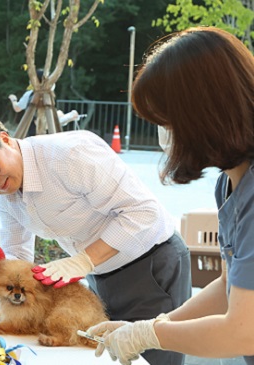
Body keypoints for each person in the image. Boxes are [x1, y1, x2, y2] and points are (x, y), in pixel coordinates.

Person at [0, 108, 191, 365]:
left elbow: (143, 212)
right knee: (109, 356)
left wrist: (83, 261)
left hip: (150, 266)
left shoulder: (70, 155)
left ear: (4, 138)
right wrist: (0, 266)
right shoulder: (7, 194)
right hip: (99, 278)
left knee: (153, 359)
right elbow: (19, 253)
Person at [86, 27, 254, 365]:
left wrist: (151, 335)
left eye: (167, 120)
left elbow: (242, 330)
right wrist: (154, 325)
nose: (166, 133)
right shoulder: (231, 182)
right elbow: (229, 286)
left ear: (204, 114)